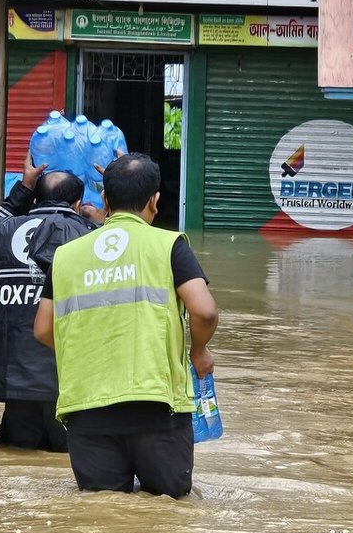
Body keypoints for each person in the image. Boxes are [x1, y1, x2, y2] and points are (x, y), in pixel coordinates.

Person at [34, 153, 218, 497]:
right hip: (157, 409)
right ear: (155, 201)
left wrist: (87, 350)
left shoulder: (66, 256)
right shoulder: (168, 246)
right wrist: (199, 350)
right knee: (168, 515)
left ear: (104, 199)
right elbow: (205, 311)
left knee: (100, 518)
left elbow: (44, 329)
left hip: (87, 411)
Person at [0, 156, 97, 452]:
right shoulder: (89, 235)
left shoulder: (1, 233)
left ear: (36, 196)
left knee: (16, 459)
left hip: (14, 378)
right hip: (65, 379)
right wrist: (114, 195)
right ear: (77, 203)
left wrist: (23, 186)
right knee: (64, 463)